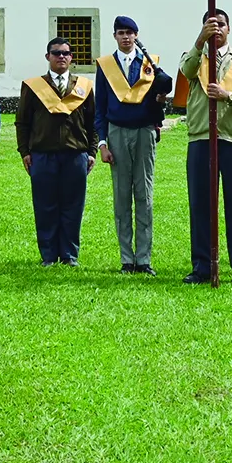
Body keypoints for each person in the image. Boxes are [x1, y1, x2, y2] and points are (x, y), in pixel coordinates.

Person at [176, 9, 232, 286]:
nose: (217, 29)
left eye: (221, 24)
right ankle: (202, 266)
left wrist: (227, 96)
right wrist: (199, 42)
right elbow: (186, 71)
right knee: (201, 205)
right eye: (211, 25)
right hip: (201, 137)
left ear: (229, 29)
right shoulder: (195, 57)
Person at [94, 16, 170, 276]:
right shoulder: (106, 66)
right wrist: (102, 143)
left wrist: (161, 99)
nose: (125, 37)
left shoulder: (149, 64)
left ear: (137, 35)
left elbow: (157, 102)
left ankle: (144, 258)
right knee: (121, 196)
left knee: (144, 195)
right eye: (120, 33)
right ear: (114, 36)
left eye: (130, 32)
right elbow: (100, 108)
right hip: (116, 132)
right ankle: (127, 258)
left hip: (144, 132)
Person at [16, 37, 98, 266]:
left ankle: (70, 255)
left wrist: (91, 151)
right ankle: (49, 255)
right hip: (43, 154)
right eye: (56, 53)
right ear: (47, 57)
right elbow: (22, 122)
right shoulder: (34, 87)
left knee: (73, 207)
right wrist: (25, 151)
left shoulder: (83, 87)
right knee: (45, 206)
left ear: (71, 57)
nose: (61, 57)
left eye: (65, 53)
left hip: (76, 155)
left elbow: (93, 122)